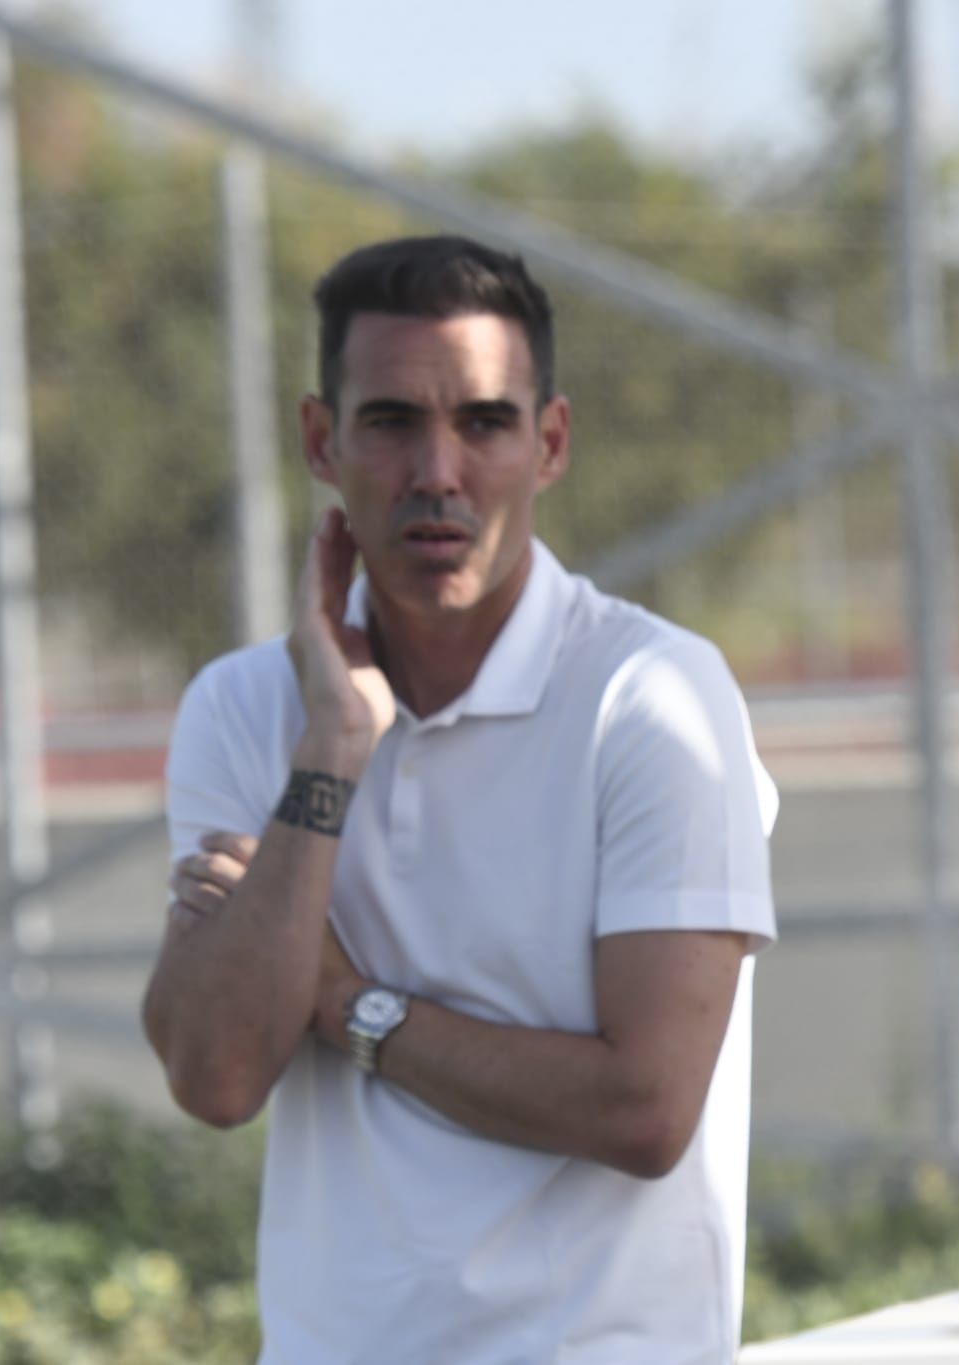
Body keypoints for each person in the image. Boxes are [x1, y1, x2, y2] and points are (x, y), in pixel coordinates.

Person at [142, 235, 778, 1363]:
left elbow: (643, 1111)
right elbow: (218, 1073)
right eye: (390, 420)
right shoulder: (244, 708)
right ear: (320, 441)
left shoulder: (653, 699)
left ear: (550, 443)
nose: (437, 470)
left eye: (482, 421)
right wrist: (331, 752)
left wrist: (347, 1003)